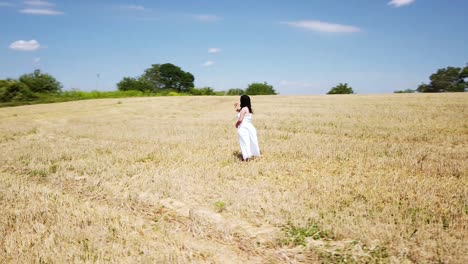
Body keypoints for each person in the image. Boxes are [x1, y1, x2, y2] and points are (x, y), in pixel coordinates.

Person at [234, 95, 260, 161]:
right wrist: (236, 106)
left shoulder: (243, 109)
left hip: (243, 127)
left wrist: (236, 124)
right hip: (249, 127)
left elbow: (240, 119)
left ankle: (246, 157)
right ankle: (252, 154)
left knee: (244, 141)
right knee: (251, 141)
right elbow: (239, 111)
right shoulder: (248, 108)